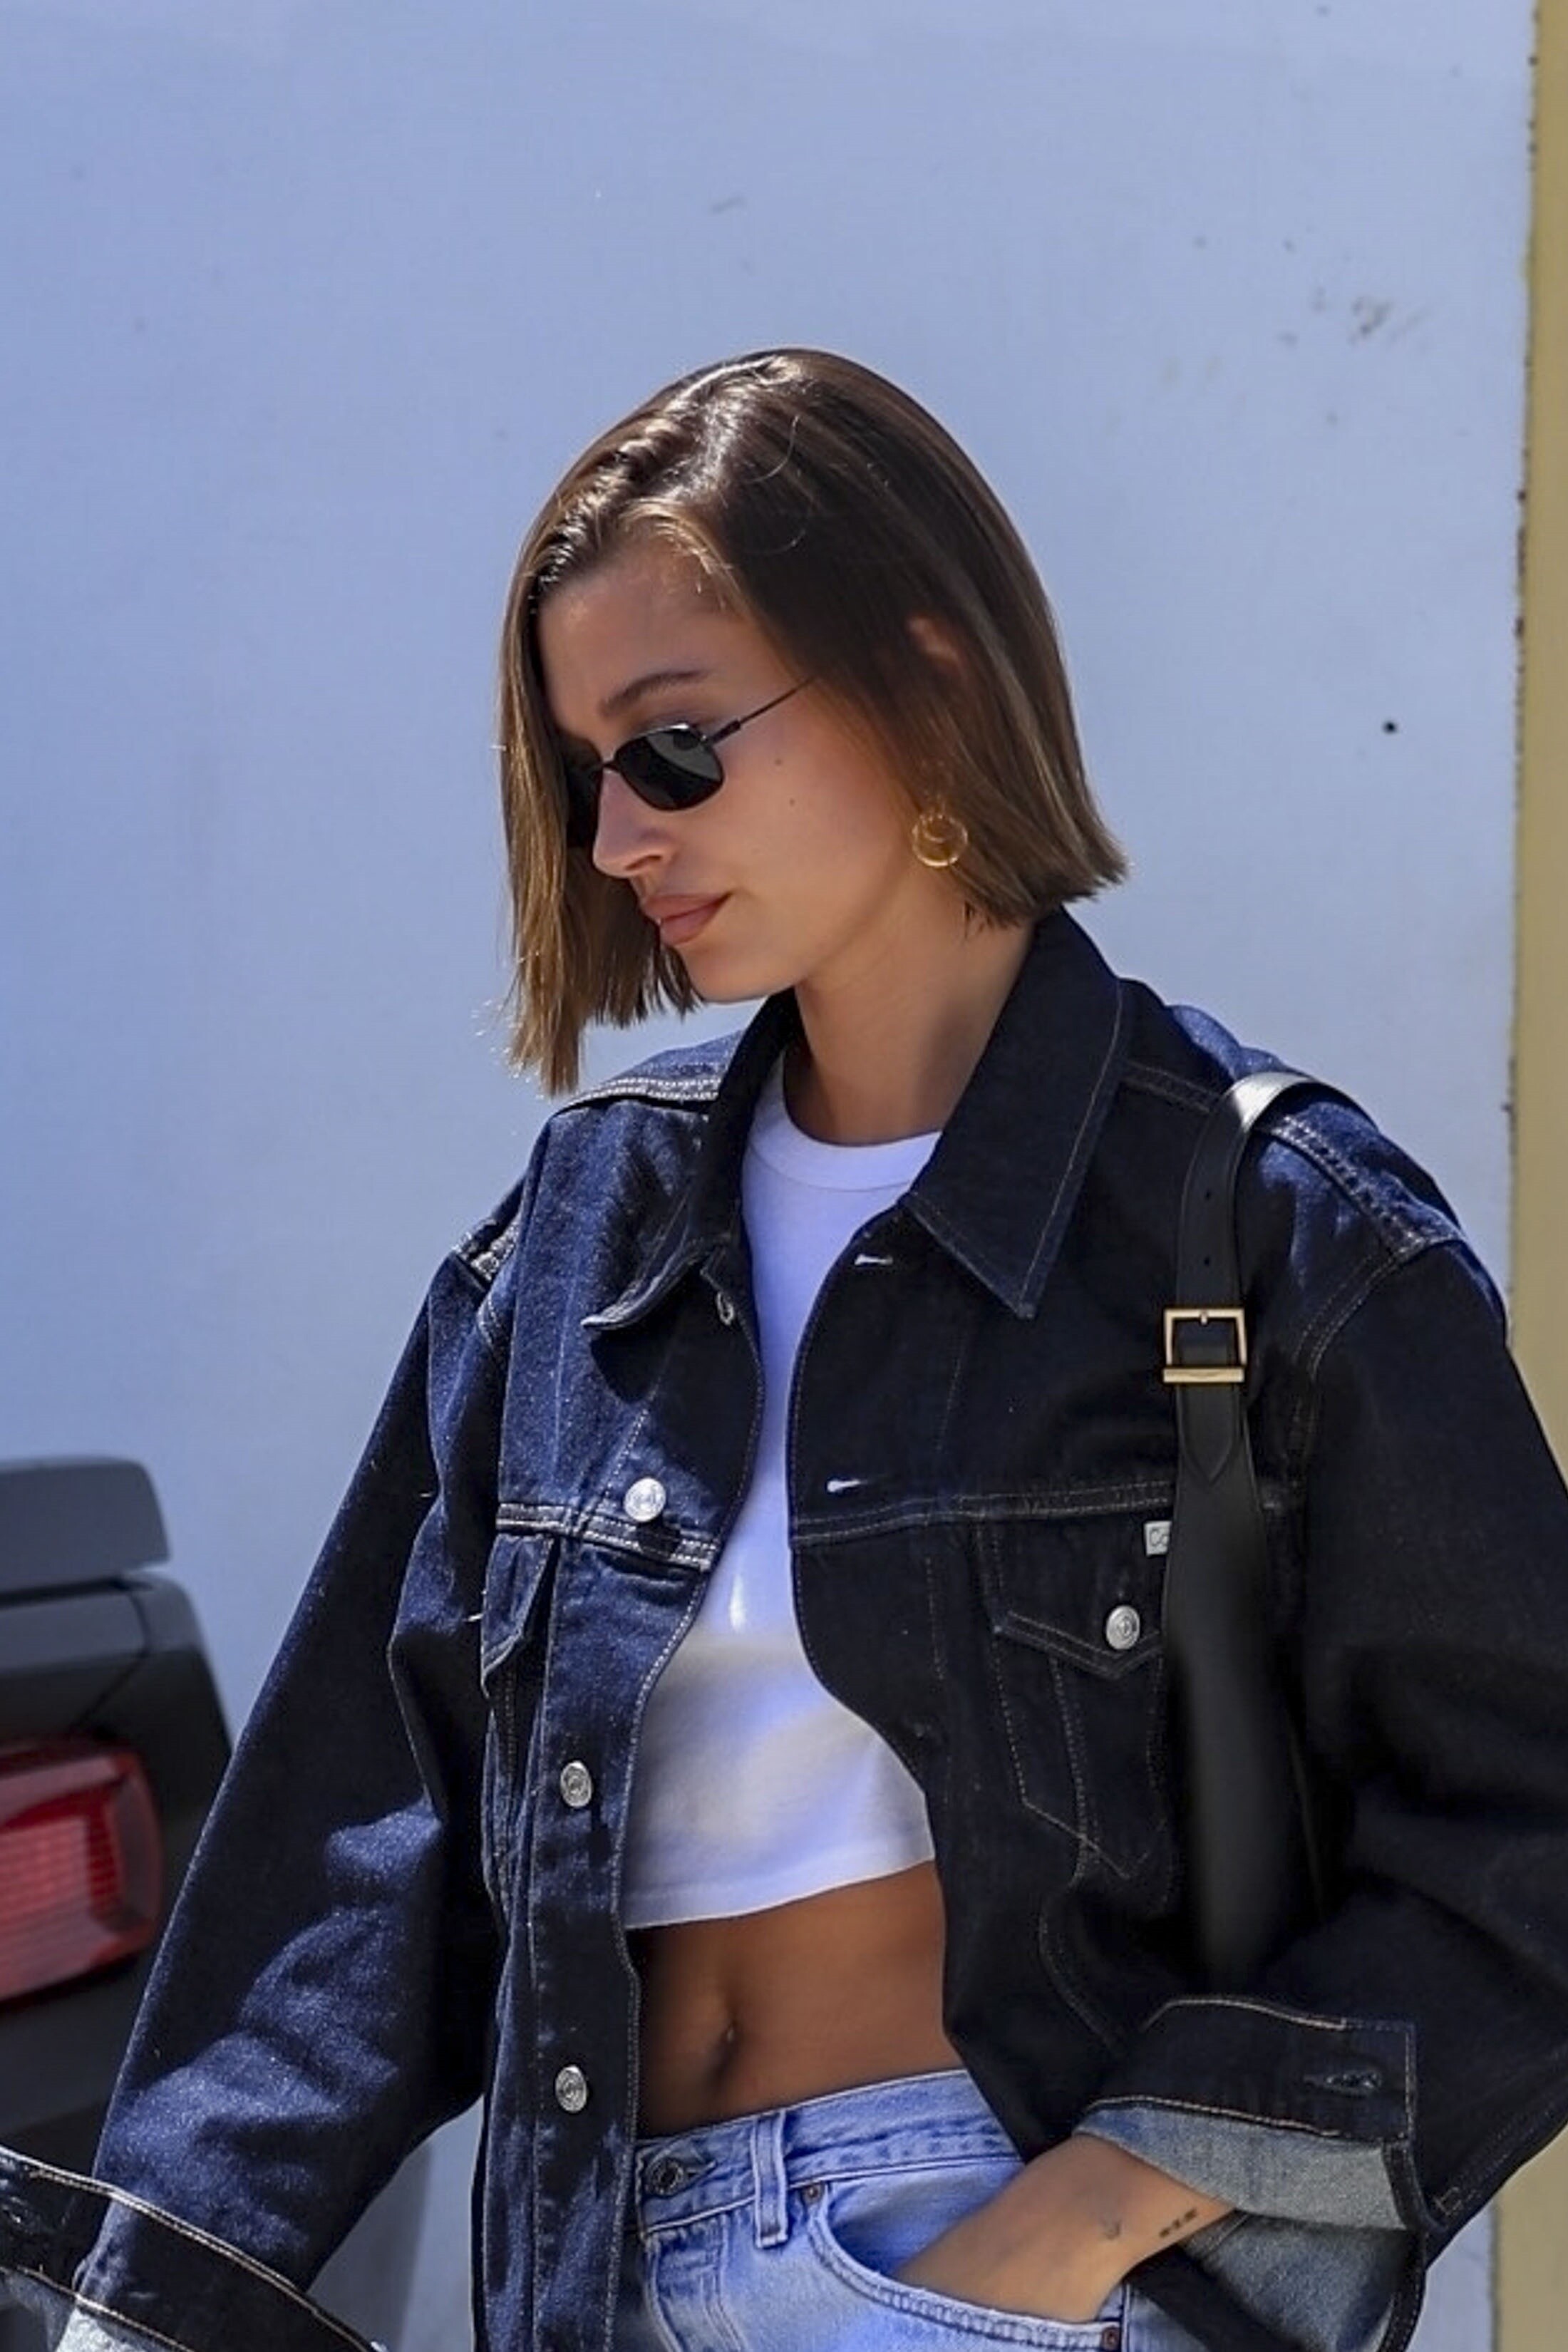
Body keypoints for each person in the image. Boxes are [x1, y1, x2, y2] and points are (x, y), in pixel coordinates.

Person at [5, 346, 1568, 2352]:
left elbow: (1531, 1822)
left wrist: (1096, 2215)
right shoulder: (579, 1245)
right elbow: (353, 1857)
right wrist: (149, 2299)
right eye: (584, 771)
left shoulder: (1261, 1225)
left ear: (925, 675)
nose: (615, 836)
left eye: (674, 747)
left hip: (993, 2265)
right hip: (593, 2272)